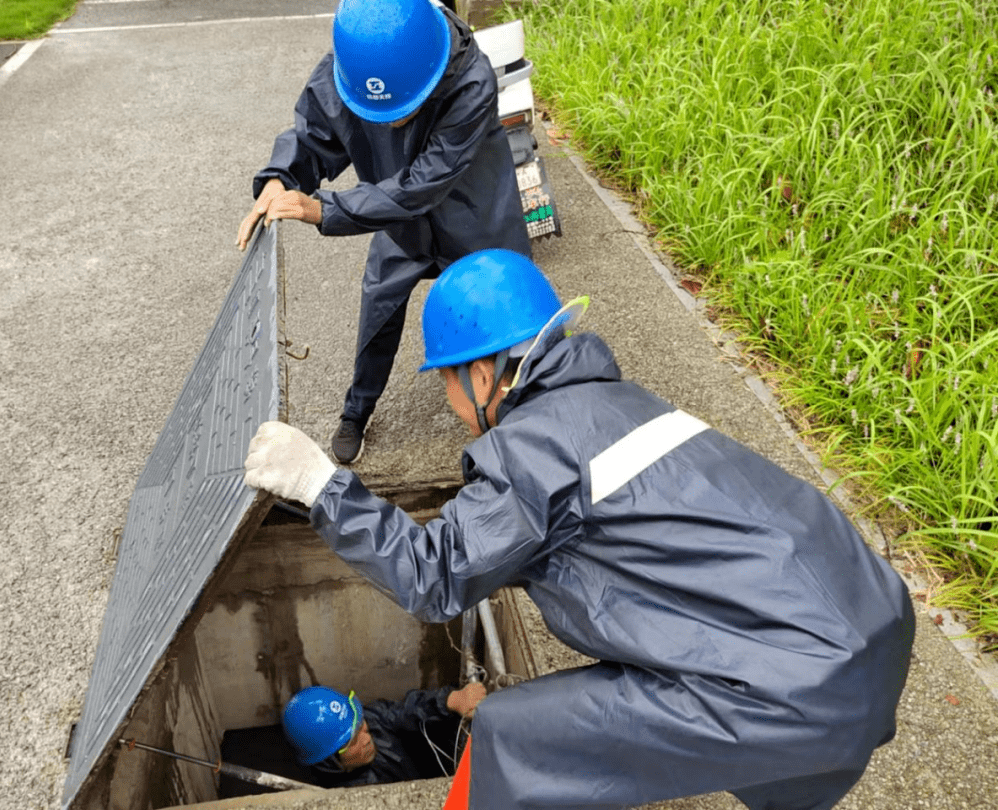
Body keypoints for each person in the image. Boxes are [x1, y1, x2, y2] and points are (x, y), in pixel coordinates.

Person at [243, 249, 916, 810]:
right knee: (777, 766)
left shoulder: (532, 447)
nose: (448, 403)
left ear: (483, 374)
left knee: (513, 734)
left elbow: (437, 574)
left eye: (445, 381)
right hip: (869, 642)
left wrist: (322, 487)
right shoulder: (627, 404)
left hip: (784, 686)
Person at [236, 0, 531, 464]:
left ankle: (523, 419)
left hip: (476, 219)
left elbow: (423, 185)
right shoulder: (352, 70)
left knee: (507, 326)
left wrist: (321, 209)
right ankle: (356, 411)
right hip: (397, 226)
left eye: (402, 109)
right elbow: (313, 135)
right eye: (381, 111)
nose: (392, 121)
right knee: (379, 308)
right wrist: (280, 177)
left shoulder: (471, 81)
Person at [281, 682, 487, 789]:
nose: (366, 736)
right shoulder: (351, 796)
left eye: (361, 724)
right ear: (329, 762)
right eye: (353, 741)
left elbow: (404, 711)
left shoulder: (368, 719)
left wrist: (450, 700)